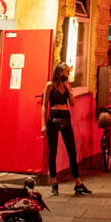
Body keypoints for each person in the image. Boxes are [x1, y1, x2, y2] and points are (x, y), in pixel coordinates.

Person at [41, 62, 92, 196]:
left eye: (69, 72)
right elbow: (44, 105)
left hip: (65, 117)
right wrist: (43, 123)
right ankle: (54, 182)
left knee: (72, 150)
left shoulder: (67, 85)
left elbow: (73, 104)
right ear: (59, 73)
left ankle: (78, 183)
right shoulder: (50, 86)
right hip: (53, 118)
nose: (68, 75)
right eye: (66, 72)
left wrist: (69, 90)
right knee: (53, 151)